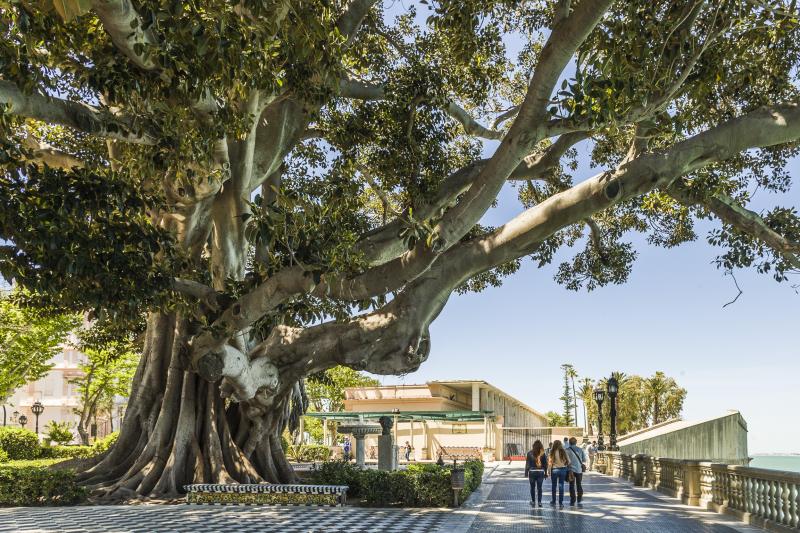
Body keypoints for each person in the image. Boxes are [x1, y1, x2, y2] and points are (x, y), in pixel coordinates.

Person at [524, 440, 548, 507]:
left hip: (532, 472)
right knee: (539, 487)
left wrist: (526, 473)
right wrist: (546, 473)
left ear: (533, 446)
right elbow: (545, 464)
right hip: (540, 472)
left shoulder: (529, 453)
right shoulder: (543, 454)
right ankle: (540, 502)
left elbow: (527, 464)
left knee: (532, 487)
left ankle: (533, 501)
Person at [566, 436, 587, 505]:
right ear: (576, 442)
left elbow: (565, 461)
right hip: (579, 470)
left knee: (571, 485)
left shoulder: (567, 450)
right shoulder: (580, 450)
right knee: (579, 484)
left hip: (570, 470)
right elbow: (584, 460)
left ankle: (573, 499)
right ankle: (579, 498)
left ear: (569, 443)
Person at [548, 440, 569, 507]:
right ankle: (561, 502)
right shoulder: (563, 451)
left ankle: (553, 501)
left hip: (554, 470)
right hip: (563, 470)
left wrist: (548, 470)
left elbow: (550, 463)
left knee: (554, 486)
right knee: (561, 486)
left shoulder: (552, 452)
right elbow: (569, 461)